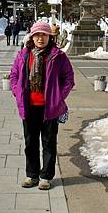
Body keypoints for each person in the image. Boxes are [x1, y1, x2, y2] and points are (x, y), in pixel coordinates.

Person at [9, 21, 75, 191]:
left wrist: (59, 96)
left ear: (49, 37)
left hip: (49, 108)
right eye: (37, 34)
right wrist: (17, 91)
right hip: (29, 106)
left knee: (48, 143)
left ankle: (45, 176)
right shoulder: (23, 55)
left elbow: (69, 78)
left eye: (44, 35)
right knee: (30, 143)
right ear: (32, 36)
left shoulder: (58, 56)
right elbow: (14, 75)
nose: (40, 38)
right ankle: (32, 175)